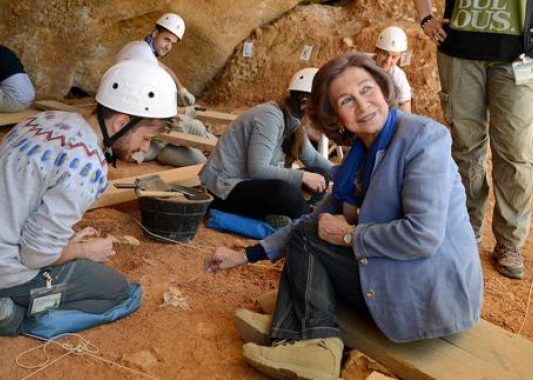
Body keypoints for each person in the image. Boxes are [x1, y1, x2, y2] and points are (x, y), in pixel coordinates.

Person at [203, 53, 483, 379]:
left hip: (432, 290)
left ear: (383, 88)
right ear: (335, 116)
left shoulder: (423, 138)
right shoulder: (362, 153)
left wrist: (349, 235)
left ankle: (316, 344)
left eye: (367, 90)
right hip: (403, 269)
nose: (363, 106)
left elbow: (422, 235)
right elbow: (317, 215)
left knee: (310, 236)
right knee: (310, 227)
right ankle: (291, 326)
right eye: (347, 100)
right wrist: (244, 255)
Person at [0, 59, 177, 337]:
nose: (145, 148)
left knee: (62, 260)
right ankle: (10, 317)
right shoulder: (86, 166)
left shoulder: (46, 121)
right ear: (122, 122)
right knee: (122, 293)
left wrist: (64, 243)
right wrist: (84, 251)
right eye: (146, 137)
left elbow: (22, 202)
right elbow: (35, 255)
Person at [413, 0, 533, 279]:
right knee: (466, 149)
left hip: (518, 55)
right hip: (460, 51)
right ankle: (465, 229)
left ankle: (509, 242)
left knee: (514, 153)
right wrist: (425, 17)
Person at [199, 68, 334, 223]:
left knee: (320, 173)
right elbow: (257, 170)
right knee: (286, 194)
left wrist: (347, 176)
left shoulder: (293, 120)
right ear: (304, 103)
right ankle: (302, 214)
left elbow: (314, 159)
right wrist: (303, 176)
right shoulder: (270, 117)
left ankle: (287, 212)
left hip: (251, 184)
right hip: (225, 188)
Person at [117, 13, 216, 167]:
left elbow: (165, 68)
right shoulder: (145, 57)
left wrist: (181, 88)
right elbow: (154, 107)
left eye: (172, 43)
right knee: (192, 127)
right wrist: (183, 111)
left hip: (131, 127)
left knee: (188, 150)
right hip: (131, 131)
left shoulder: (138, 47)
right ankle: (227, 153)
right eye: (166, 39)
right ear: (155, 33)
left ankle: (159, 151)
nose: (168, 47)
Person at [372, 26, 412, 113]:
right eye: (384, 54)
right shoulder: (363, 64)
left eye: (394, 57)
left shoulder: (398, 77)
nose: (388, 60)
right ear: (377, 51)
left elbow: (406, 107)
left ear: (400, 57)